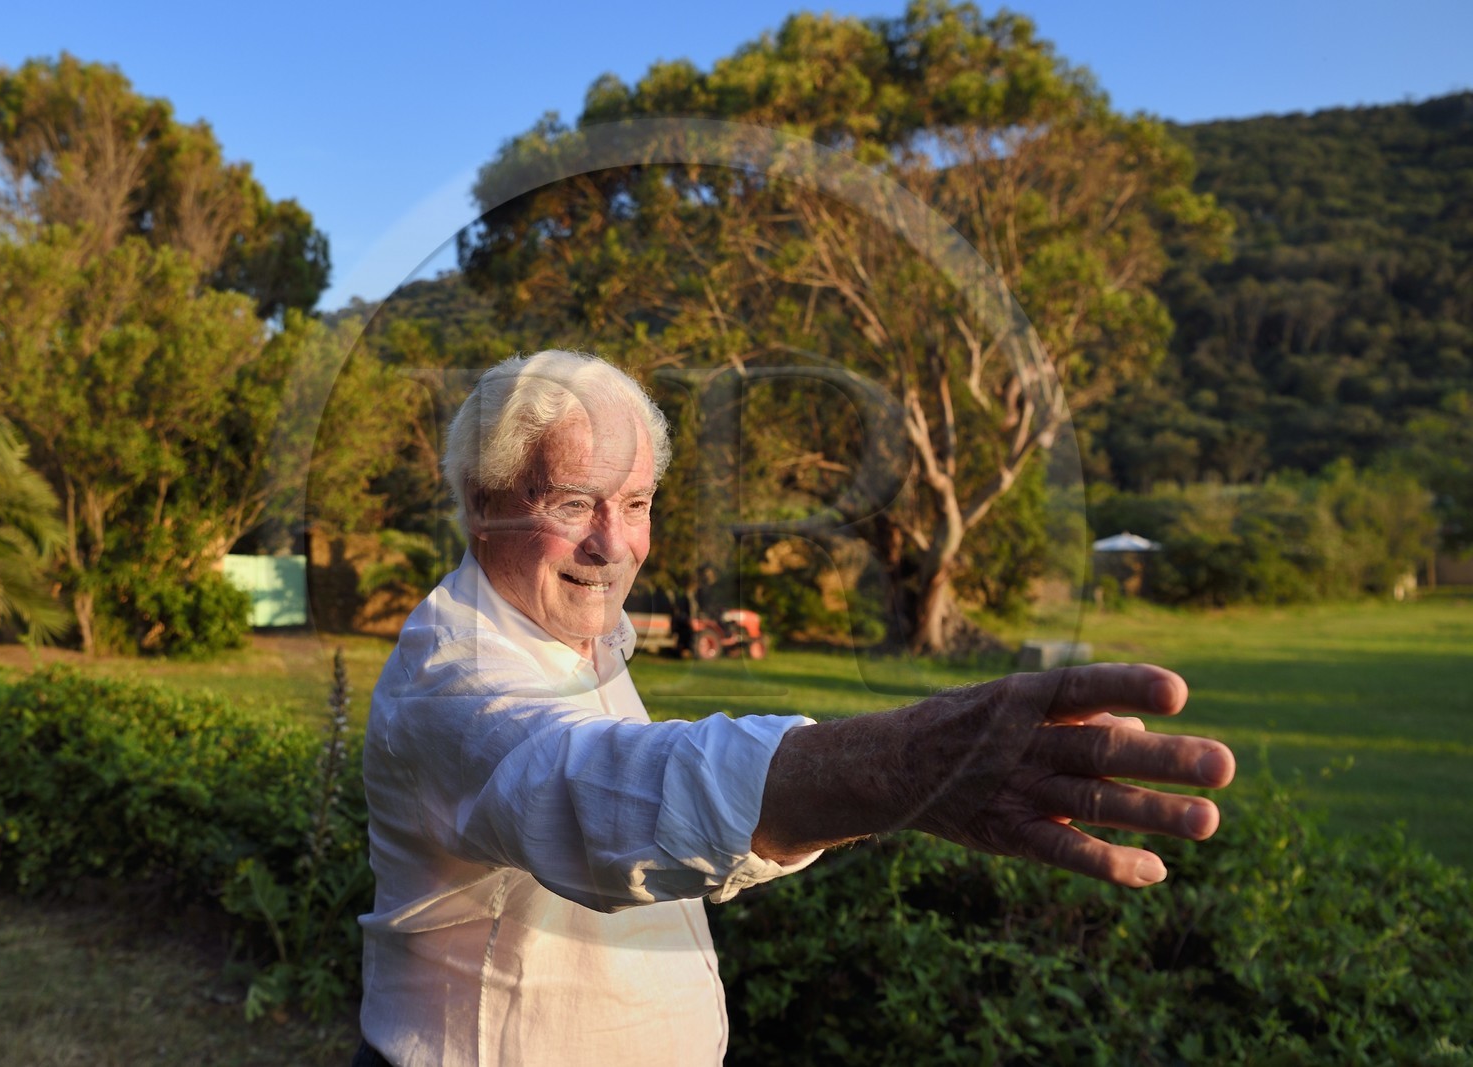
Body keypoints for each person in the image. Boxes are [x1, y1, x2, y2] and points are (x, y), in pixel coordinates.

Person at [356, 350, 1234, 1066]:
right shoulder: (454, 673)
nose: (614, 544)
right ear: (480, 503)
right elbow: (597, 797)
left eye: (636, 503)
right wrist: (912, 767)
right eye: (575, 502)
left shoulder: (583, 635)